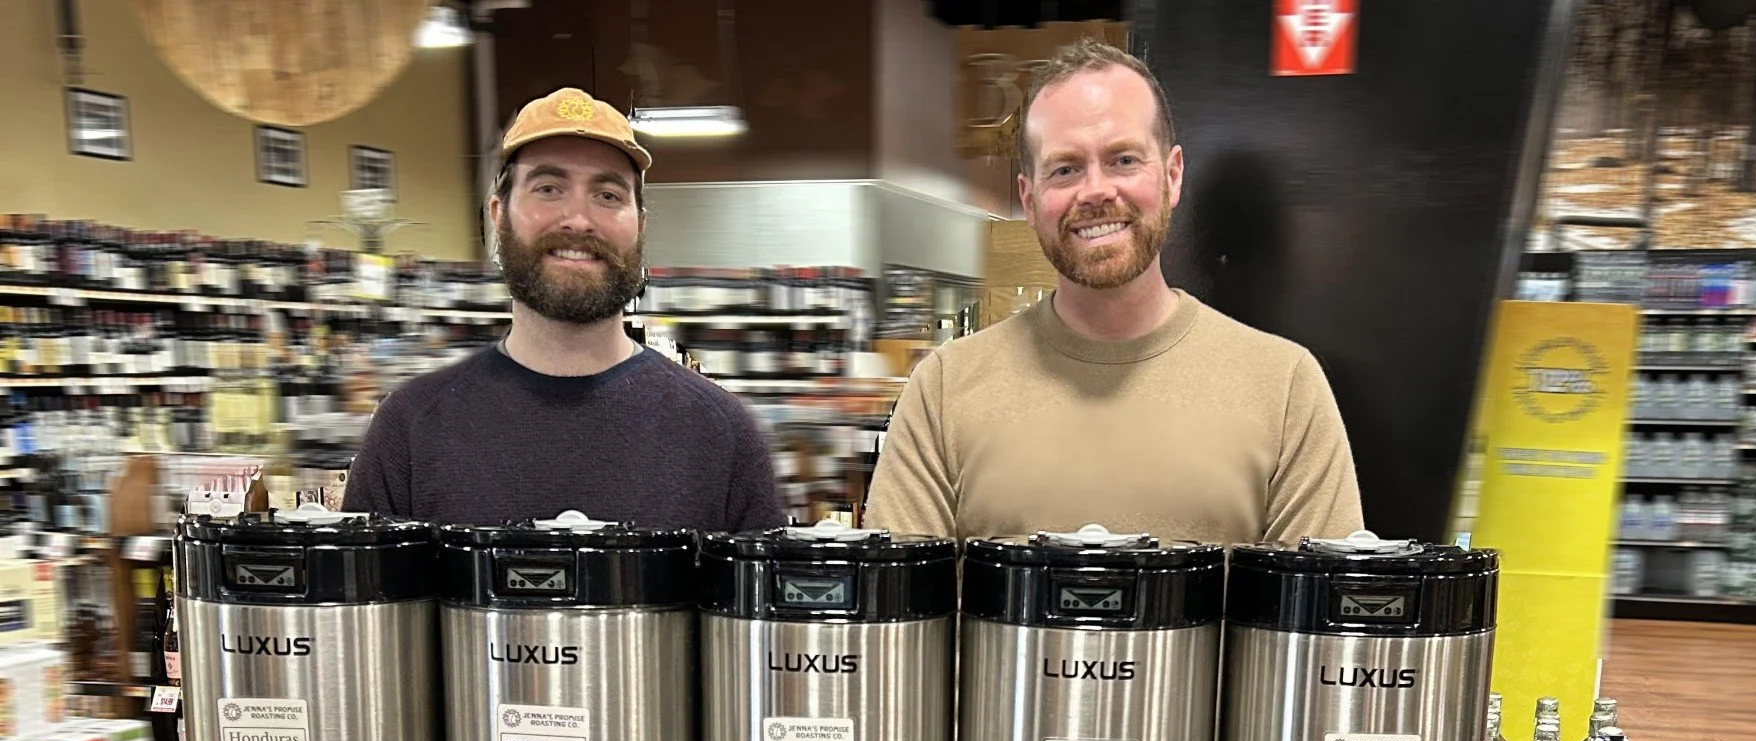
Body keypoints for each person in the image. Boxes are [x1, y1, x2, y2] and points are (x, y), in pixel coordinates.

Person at [864, 41, 1361, 545]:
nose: (1096, 191)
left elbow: (1322, 615)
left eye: (1123, 159)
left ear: (1172, 176)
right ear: (1030, 199)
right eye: (1065, 168)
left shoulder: (1284, 389)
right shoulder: (943, 392)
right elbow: (899, 615)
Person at [343, 87, 782, 530]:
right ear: (498, 215)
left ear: (640, 225)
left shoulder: (722, 433)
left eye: (608, 195)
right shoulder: (407, 431)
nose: (578, 219)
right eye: (548, 188)